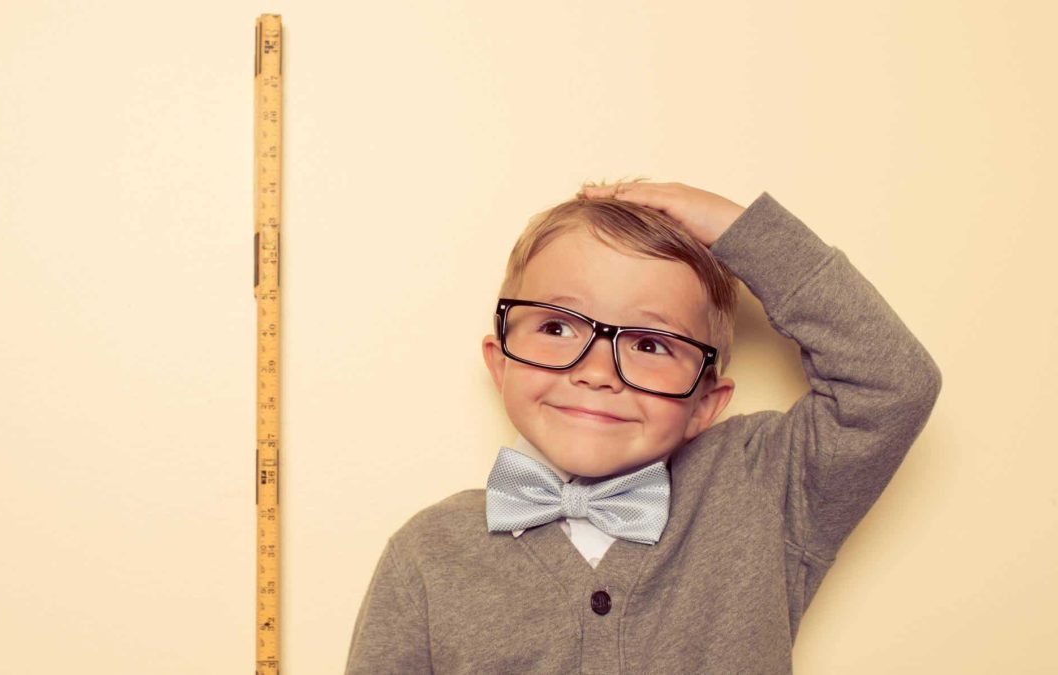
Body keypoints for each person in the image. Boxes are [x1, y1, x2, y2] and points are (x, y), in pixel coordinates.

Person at [345, 180, 942, 673]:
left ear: (707, 403)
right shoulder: (427, 554)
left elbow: (893, 385)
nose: (598, 371)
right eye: (556, 329)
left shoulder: (760, 489)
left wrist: (740, 230)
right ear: (499, 361)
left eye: (651, 343)